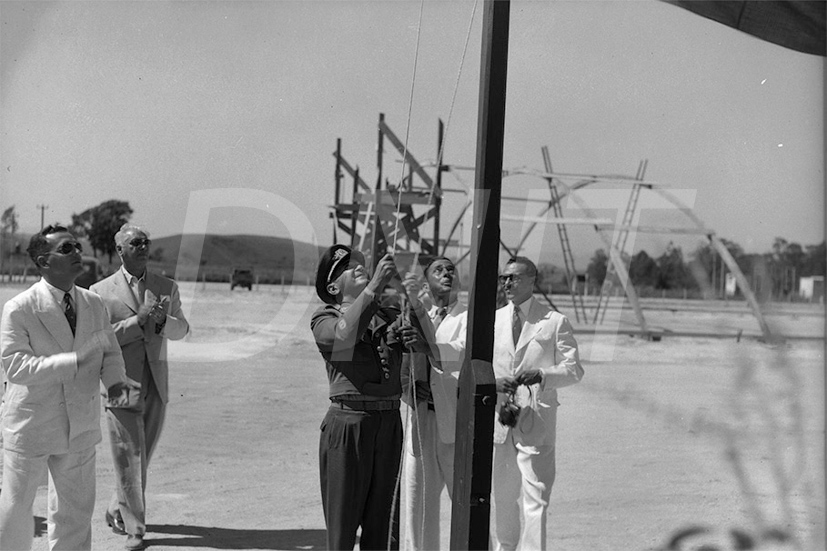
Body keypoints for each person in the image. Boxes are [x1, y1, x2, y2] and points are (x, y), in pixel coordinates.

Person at [0, 225, 136, 550]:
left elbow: (110, 353)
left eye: (76, 246)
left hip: (80, 425)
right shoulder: (20, 307)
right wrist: (73, 361)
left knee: (75, 515)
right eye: (66, 248)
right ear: (43, 262)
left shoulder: (94, 303)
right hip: (32, 424)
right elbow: (16, 366)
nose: (77, 252)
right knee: (17, 510)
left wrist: (115, 382)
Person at [310, 245, 427, 551]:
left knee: (384, 529)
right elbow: (344, 336)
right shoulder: (324, 318)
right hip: (349, 424)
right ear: (333, 287)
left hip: (388, 423)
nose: (360, 267)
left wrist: (414, 300)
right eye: (350, 266)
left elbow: (430, 353)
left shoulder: (389, 315)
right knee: (342, 529)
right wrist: (374, 287)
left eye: (362, 263)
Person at [90, 223, 189, 551]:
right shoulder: (99, 291)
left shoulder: (166, 286)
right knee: (128, 453)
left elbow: (181, 330)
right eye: (136, 242)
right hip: (121, 383)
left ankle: (116, 507)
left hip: (156, 383)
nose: (144, 247)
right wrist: (138, 321)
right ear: (120, 250)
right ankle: (135, 529)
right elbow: (100, 339)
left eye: (146, 241)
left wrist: (161, 321)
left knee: (139, 455)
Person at [490, 256, 584, 551]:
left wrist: (543, 375)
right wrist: (496, 383)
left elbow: (574, 370)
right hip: (501, 419)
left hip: (536, 421)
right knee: (503, 497)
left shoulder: (554, 322)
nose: (507, 283)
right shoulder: (493, 320)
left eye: (514, 277)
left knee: (536, 497)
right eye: (504, 277)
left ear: (533, 281)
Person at [400, 257, 467, 551]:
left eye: (451, 269)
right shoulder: (416, 315)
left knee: (465, 501)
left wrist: (425, 347)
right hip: (421, 419)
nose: (447, 273)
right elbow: (403, 367)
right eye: (438, 270)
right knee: (418, 503)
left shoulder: (470, 318)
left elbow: (460, 353)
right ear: (426, 283)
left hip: (455, 421)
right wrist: (411, 392)